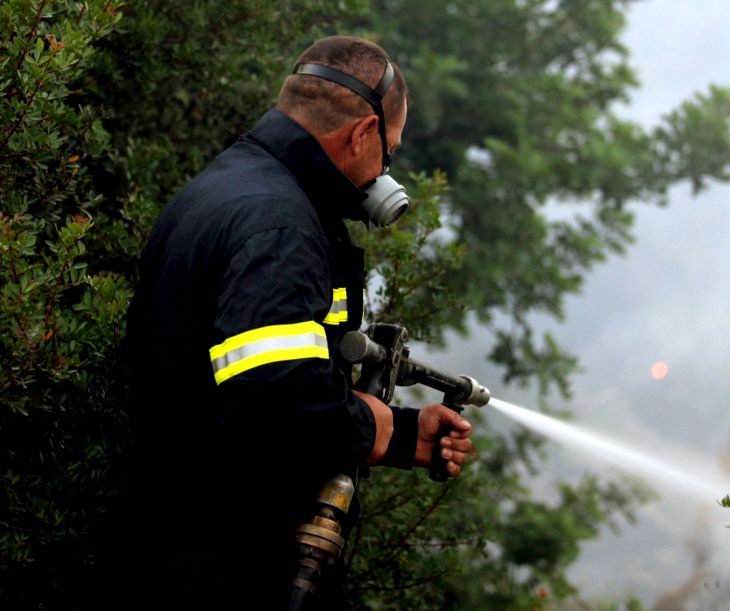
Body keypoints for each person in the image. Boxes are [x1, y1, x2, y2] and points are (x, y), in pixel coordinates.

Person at [125, 35, 474, 609]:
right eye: (389, 152)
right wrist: (373, 429)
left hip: (168, 538)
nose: (385, 172)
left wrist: (404, 434)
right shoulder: (282, 228)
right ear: (363, 134)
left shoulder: (229, 187)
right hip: (227, 567)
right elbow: (276, 395)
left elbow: (252, 377)